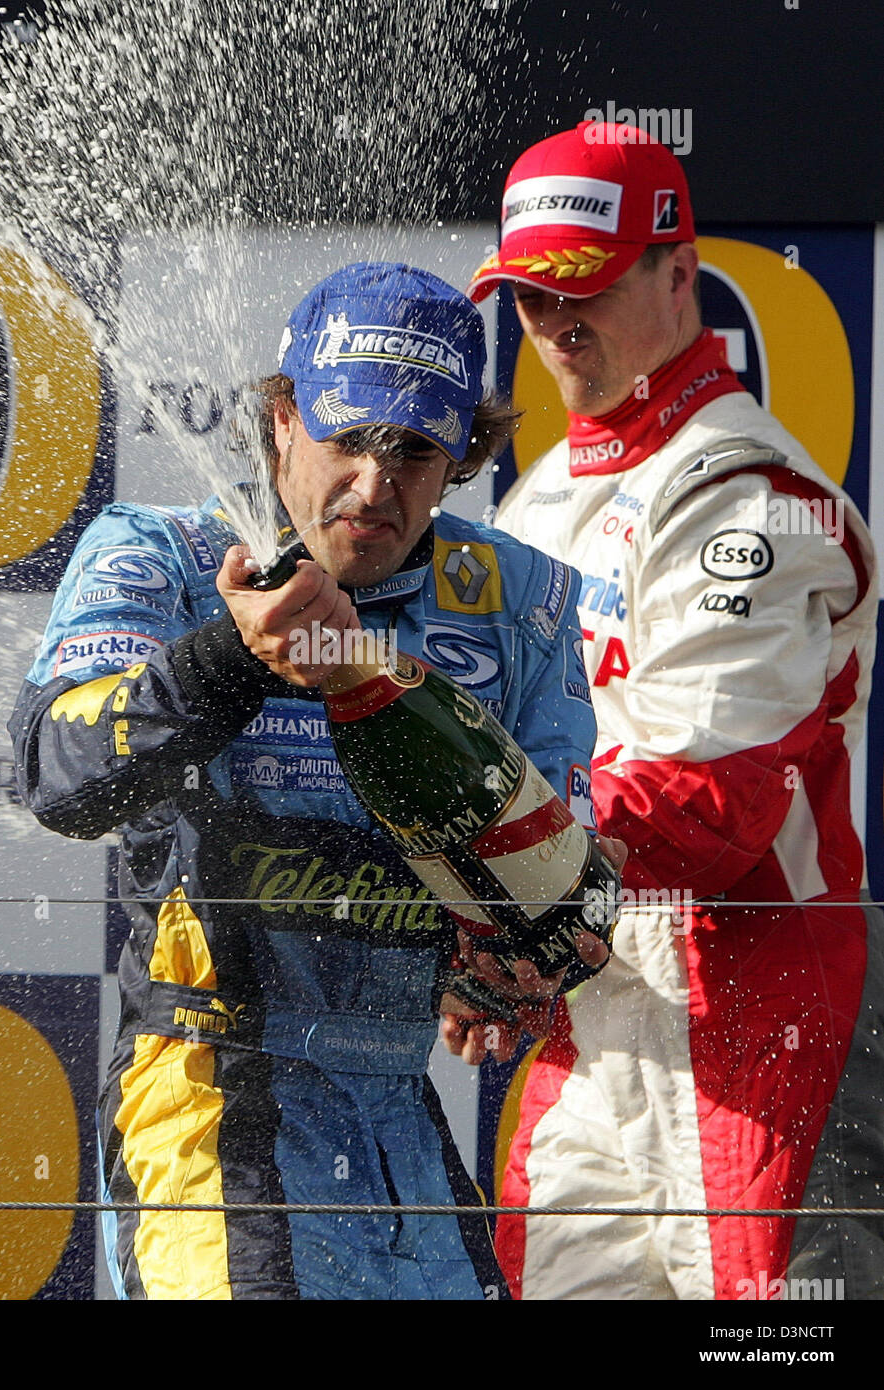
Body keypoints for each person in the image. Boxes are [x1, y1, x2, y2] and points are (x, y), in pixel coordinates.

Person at [9, 261, 609, 1300]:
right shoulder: (162, 554)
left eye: (416, 451)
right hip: (205, 1088)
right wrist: (225, 662)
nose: (376, 487)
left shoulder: (524, 602)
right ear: (282, 416)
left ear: (462, 453)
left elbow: (567, 887)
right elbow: (55, 775)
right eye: (349, 441)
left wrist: (526, 954)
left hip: (397, 1112)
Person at [462, 122, 884, 1300]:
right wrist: (494, 937)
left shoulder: (754, 490)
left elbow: (716, 794)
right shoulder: (536, 504)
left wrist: (514, 890)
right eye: (529, 297)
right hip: (591, 1017)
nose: (553, 327)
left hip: (766, 1017)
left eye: (580, 291)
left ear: (677, 274)